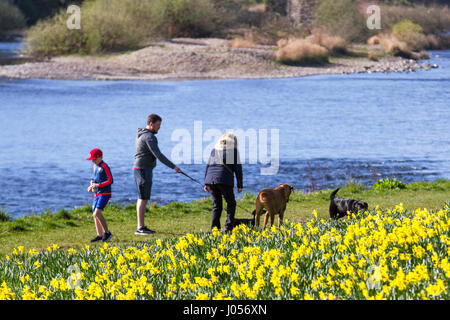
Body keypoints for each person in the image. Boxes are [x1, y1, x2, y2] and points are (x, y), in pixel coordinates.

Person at [133, 114, 181, 235]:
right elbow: (158, 155)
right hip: (143, 169)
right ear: (151, 124)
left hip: (141, 168)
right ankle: (140, 227)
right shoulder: (149, 137)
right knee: (143, 198)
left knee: (143, 197)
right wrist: (174, 167)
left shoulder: (143, 134)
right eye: (158, 125)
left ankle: (141, 226)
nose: (159, 128)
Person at [204, 132, 243, 232]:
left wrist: (205, 182)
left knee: (217, 205)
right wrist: (240, 185)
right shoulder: (233, 151)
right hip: (224, 180)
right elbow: (238, 169)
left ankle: (215, 229)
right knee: (231, 203)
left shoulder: (214, 150)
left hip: (210, 179)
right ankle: (228, 227)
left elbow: (208, 166)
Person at [86, 148, 113, 242]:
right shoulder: (95, 166)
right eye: (92, 159)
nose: (93, 161)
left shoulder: (105, 166)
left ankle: (107, 233)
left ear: (100, 157)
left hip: (105, 193)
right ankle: (99, 235)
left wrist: (98, 185)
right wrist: (91, 185)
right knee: (94, 214)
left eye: (94, 159)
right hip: (97, 193)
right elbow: (94, 179)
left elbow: (110, 180)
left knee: (97, 212)